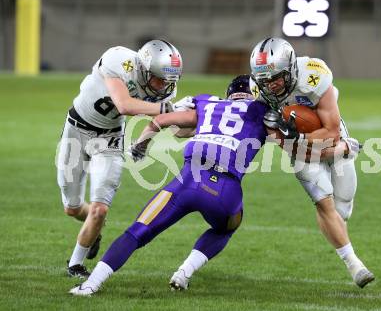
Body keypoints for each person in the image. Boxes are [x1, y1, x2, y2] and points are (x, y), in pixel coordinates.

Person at [69, 75, 275, 295]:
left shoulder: (208, 103)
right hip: (224, 189)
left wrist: (140, 144)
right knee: (227, 228)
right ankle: (184, 272)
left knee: (136, 232)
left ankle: (90, 285)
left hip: (186, 181)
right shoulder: (263, 111)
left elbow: (163, 121)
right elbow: (285, 139)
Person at [249, 37, 374, 288]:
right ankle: (354, 265)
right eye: (265, 81)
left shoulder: (313, 75)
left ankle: (349, 148)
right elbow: (281, 142)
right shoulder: (258, 90)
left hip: (328, 135)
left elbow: (331, 131)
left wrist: (327, 145)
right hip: (296, 145)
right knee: (323, 202)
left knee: (342, 209)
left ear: (292, 69)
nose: (271, 86)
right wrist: (290, 139)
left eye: (276, 78)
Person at [56, 39, 187, 279]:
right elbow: (124, 105)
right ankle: (94, 230)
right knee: (72, 208)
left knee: (100, 210)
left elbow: (169, 125)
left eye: (169, 80)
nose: (164, 86)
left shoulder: (166, 90)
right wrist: (170, 110)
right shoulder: (119, 60)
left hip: (110, 138)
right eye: (159, 79)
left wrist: (195, 121)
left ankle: (75, 264)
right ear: (144, 69)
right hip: (76, 129)